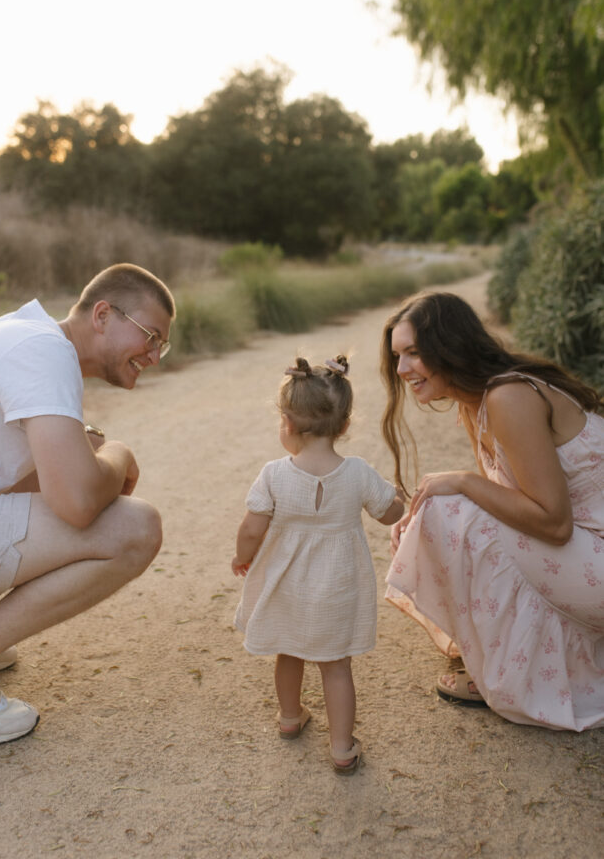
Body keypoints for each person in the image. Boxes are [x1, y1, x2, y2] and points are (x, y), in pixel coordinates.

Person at [0, 262, 175, 746]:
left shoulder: (23, 334)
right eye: (149, 336)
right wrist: (120, 455)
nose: (155, 355)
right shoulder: (44, 353)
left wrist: (89, 446)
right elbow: (76, 502)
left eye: (162, 344)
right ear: (102, 314)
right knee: (135, 529)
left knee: (59, 469)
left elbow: (39, 472)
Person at [380, 290, 604, 731]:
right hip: (588, 554)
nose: (402, 369)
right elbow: (513, 505)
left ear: (449, 347)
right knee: (446, 507)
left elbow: (554, 525)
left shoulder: (509, 396)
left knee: (452, 508)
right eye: (398, 356)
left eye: (413, 353)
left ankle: (508, 672)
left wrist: (464, 481)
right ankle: (505, 653)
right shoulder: (477, 402)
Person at [232, 355, 404, 774]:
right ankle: (342, 747)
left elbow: (252, 528)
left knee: (288, 652)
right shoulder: (359, 473)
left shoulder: (273, 474)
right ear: (344, 425)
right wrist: (397, 496)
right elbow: (390, 513)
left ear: (287, 424)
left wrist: (243, 557)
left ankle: (290, 718)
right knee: (336, 664)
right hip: (337, 586)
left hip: (287, 584)